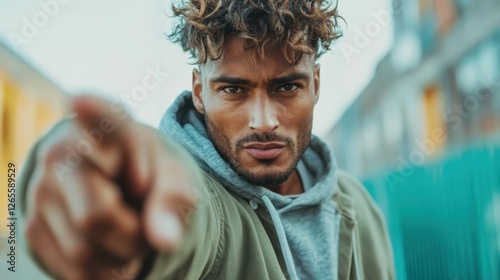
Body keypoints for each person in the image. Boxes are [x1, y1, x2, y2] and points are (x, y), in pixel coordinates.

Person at [18, 0, 395, 279]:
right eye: (234, 89)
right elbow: (188, 219)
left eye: (287, 87)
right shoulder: (197, 200)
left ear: (315, 84)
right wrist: (129, 198)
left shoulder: (358, 205)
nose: (263, 122)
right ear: (199, 92)